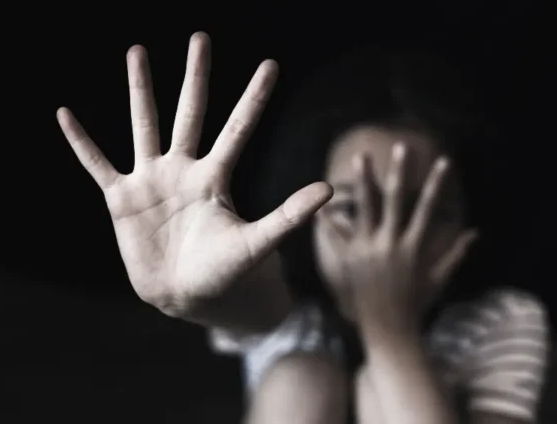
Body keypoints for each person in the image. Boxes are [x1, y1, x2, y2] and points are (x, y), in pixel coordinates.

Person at [56, 32, 549, 424]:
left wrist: (389, 326)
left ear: (470, 221)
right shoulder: (291, 308)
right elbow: (252, 307)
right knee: (301, 375)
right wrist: (186, 293)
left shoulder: (502, 320)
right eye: (354, 209)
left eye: (426, 213)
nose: (386, 244)